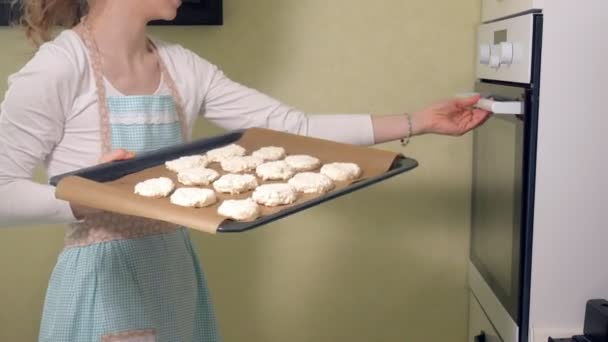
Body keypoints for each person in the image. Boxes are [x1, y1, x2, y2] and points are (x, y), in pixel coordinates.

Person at [0, 0, 490, 341]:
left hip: (175, 275)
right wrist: (82, 197)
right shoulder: (57, 69)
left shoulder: (183, 67)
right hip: (103, 287)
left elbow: (291, 127)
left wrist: (418, 122)